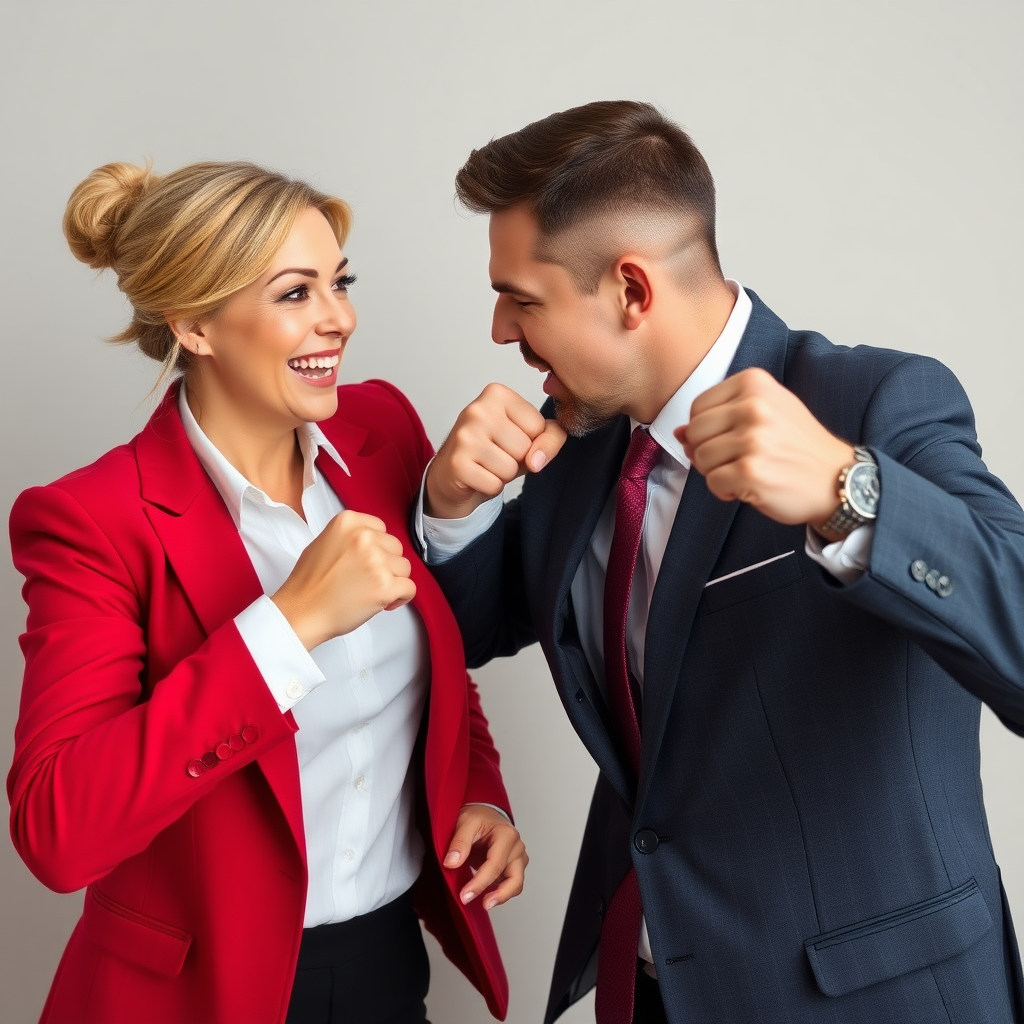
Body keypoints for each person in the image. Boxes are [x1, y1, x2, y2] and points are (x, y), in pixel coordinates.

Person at [416, 100, 1024, 1024]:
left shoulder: (878, 401)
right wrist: (452, 513)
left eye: (523, 298)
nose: (502, 330)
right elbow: (480, 627)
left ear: (631, 289)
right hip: (659, 990)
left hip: (872, 1000)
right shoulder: (580, 445)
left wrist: (851, 493)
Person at [7, 160, 527, 1024]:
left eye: (340, 282)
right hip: (199, 995)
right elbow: (59, 832)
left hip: (386, 966)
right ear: (195, 325)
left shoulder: (383, 432)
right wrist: (286, 626)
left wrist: (480, 791)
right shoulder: (91, 520)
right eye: (296, 293)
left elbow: (433, 669)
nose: (340, 318)